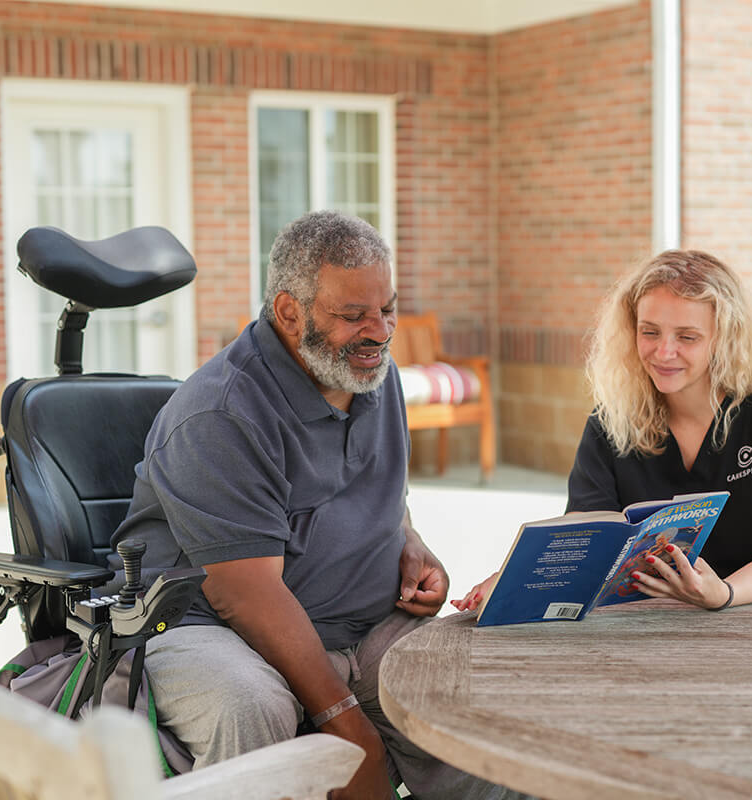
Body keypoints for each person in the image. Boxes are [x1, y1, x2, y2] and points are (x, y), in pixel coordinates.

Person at [111, 211, 526, 800]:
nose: (380, 331)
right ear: (288, 312)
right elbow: (244, 595)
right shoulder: (220, 414)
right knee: (249, 707)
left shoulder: (372, 375)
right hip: (212, 626)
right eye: (353, 315)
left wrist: (409, 542)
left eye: (387, 308)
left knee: (475, 688)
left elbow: (383, 493)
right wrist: (347, 722)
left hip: (362, 623)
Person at [454, 249, 752, 614]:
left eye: (687, 337)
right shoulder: (612, 422)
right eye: (650, 332)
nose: (663, 352)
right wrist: (509, 579)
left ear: (726, 339)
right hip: (660, 616)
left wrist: (723, 594)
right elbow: (586, 537)